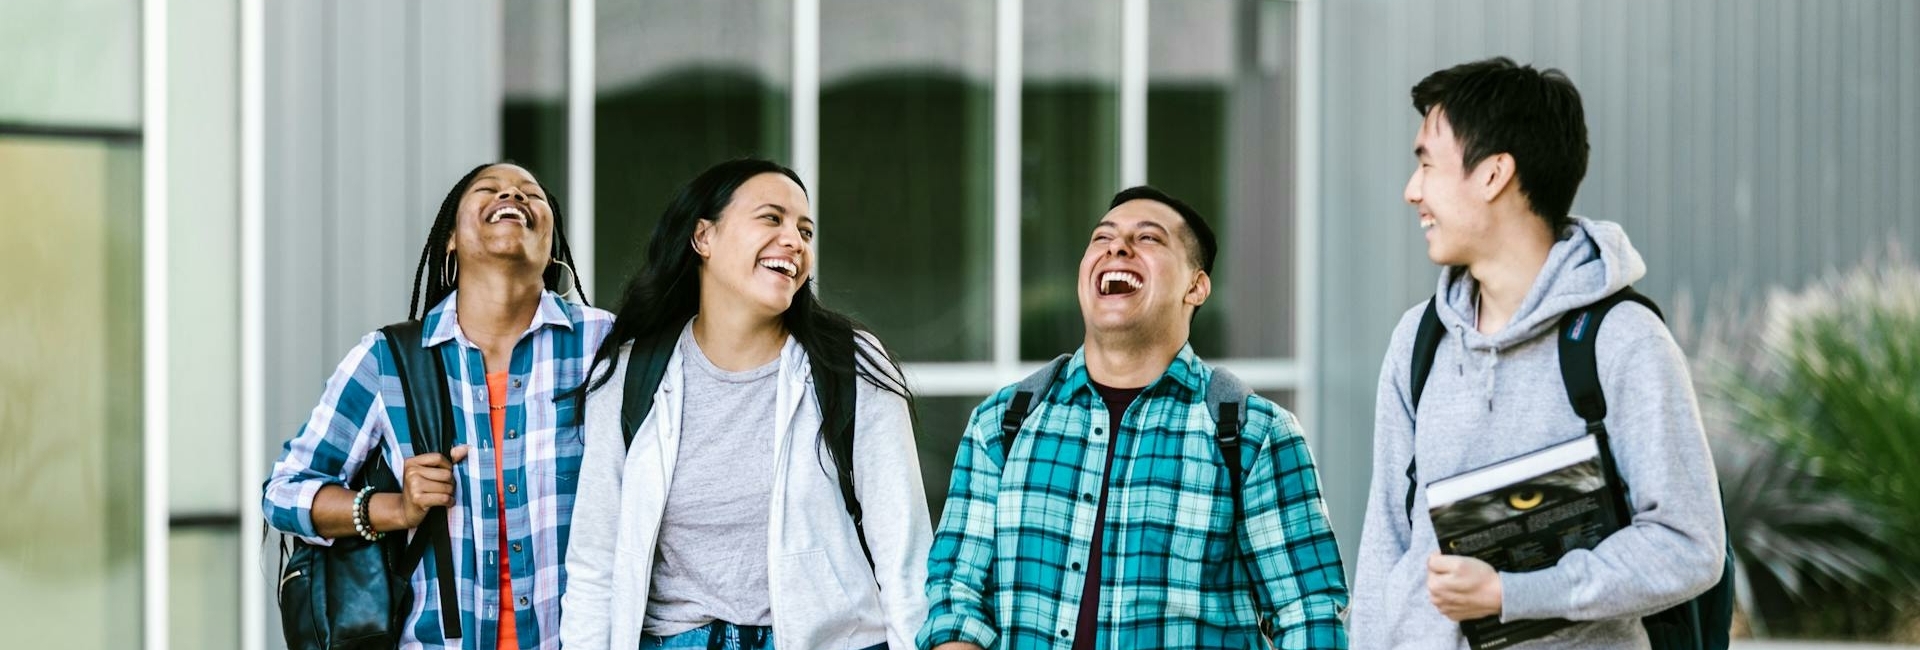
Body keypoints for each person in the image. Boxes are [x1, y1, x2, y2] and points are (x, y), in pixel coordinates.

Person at [1349, 57, 1726, 648]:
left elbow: (1688, 544)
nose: (1411, 190)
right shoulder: (1417, 341)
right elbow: (1386, 543)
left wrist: (1513, 593)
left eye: (1426, 162)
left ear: (1494, 174)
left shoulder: (1624, 341)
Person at [919, 186, 1349, 649]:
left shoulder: (1253, 435)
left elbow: (1309, 616)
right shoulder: (1001, 423)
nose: (1117, 247)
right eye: (1102, 237)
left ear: (1196, 286)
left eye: (1149, 239)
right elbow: (955, 596)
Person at [560, 158, 932, 650]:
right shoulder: (632, 373)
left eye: (805, 230)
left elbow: (903, 550)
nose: (795, 242)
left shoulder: (850, 362)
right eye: (771, 218)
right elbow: (594, 562)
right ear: (703, 238)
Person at [265, 162, 613, 649]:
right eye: (488, 189)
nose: (511, 195)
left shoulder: (607, 347)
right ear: (450, 239)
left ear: (550, 242)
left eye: (530, 193)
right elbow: (284, 492)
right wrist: (395, 509)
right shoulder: (388, 360)